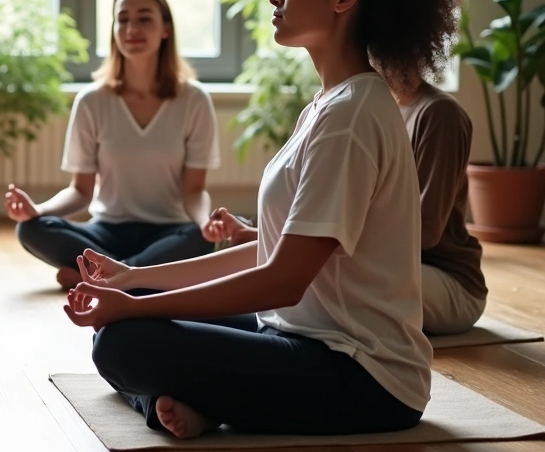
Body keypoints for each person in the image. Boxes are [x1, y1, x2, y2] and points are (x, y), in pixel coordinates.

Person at [64, 0, 458, 440]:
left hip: (363, 377)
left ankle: (182, 403)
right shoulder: (330, 104)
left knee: (125, 340)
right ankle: (199, 401)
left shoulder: (351, 117)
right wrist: (135, 281)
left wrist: (128, 308)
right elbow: (273, 250)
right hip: (298, 337)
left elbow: (281, 279)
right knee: (136, 318)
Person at [206, 73, 486, 336]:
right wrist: (258, 237)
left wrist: (269, 244)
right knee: (298, 271)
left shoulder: (440, 114)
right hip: (384, 267)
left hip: (448, 281)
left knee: (315, 276)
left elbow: (424, 232)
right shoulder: (372, 106)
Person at [6, 0, 221, 290]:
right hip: (106, 230)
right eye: (123, 19)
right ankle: (134, 277)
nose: (132, 28)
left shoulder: (195, 100)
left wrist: (204, 223)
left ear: (165, 30)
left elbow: (194, 191)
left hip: (169, 231)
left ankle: (99, 277)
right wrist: (37, 210)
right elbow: (80, 190)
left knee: (200, 239)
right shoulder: (92, 101)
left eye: (144, 19)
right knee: (30, 229)